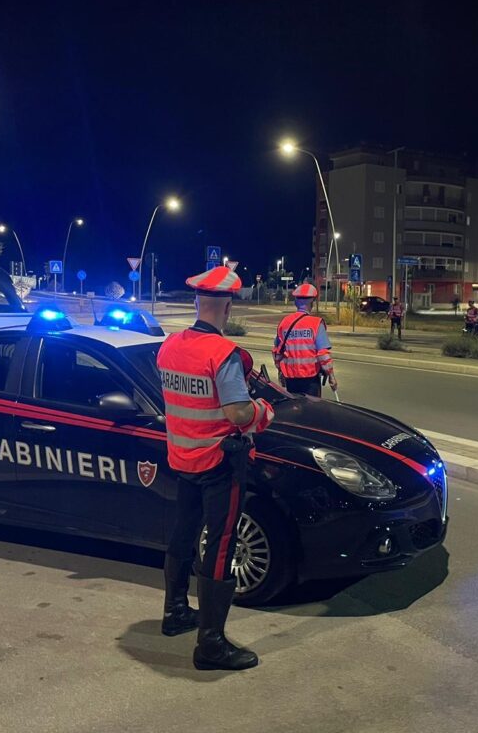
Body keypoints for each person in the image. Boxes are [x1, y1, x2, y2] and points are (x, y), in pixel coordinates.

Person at [157, 265, 275, 671]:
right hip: (218, 463)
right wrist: (263, 411)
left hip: (181, 459)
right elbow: (238, 412)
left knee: (183, 532)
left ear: (195, 302)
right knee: (221, 546)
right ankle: (211, 645)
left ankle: (174, 613)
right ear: (226, 307)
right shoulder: (223, 355)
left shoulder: (169, 346)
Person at [272, 283, 337, 397]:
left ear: (296, 303)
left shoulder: (284, 323)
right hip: (310, 380)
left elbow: (277, 351)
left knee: (295, 410)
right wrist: (331, 376)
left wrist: (280, 371)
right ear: (312, 303)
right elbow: (323, 355)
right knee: (312, 412)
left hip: (291, 380)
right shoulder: (316, 324)